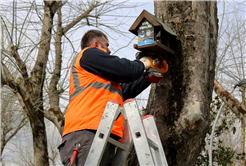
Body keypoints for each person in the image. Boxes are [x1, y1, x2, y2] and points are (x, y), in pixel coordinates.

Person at [58, 29, 162, 166]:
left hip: (102, 134)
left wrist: (146, 77)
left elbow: (124, 91)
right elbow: (125, 70)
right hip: (85, 133)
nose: (109, 51)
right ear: (96, 44)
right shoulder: (88, 54)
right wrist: (142, 63)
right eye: (106, 45)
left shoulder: (101, 78)